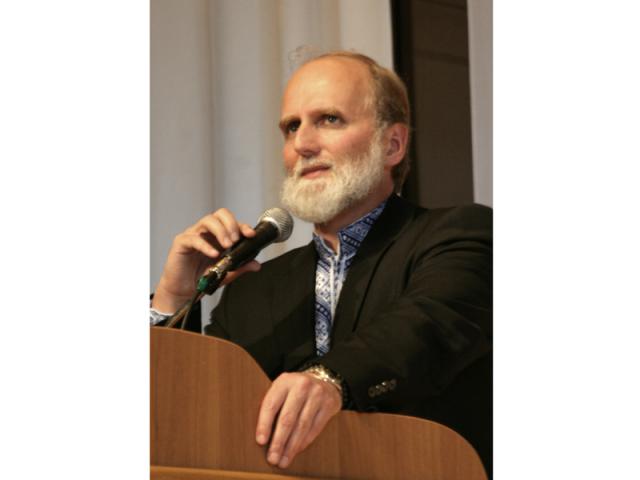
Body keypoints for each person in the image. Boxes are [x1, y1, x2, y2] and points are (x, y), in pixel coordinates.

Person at [151, 51, 492, 474]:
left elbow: (428, 325)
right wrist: (172, 299)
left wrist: (330, 379)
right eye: (291, 127)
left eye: (329, 119)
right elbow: (189, 411)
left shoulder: (462, 235)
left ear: (392, 144)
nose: (303, 144)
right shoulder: (255, 287)